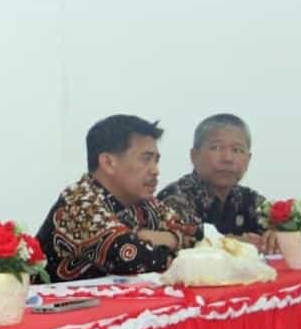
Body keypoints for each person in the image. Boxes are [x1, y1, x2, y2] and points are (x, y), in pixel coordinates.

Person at [36, 115, 199, 283]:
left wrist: (148, 236)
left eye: (156, 160)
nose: (155, 170)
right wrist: (162, 240)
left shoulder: (142, 201)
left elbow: (197, 236)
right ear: (108, 163)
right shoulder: (79, 203)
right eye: (146, 159)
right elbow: (136, 259)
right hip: (53, 306)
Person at [157, 113, 277, 253]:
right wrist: (236, 243)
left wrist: (278, 234)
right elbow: (187, 242)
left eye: (237, 150)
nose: (227, 158)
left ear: (248, 159)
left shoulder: (248, 198)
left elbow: (281, 230)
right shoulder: (175, 197)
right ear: (194, 156)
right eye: (216, 148)